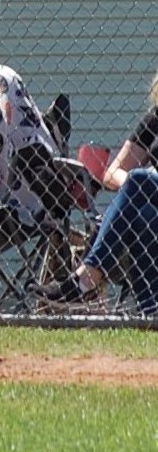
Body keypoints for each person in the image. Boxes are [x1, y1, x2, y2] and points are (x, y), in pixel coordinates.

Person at [38, 69, 158, 313]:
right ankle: (152, 312)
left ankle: (85, 279)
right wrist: (137, 190)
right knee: (144, 212)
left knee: (141, 180)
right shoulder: (156, 119)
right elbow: (113, 172)